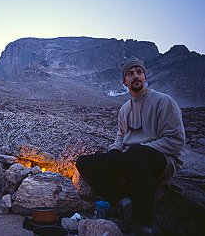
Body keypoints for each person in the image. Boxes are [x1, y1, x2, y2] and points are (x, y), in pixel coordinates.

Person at [76, 56, 185, 235]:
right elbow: (121, 136)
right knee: (84, 162)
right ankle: (121, 199)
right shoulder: (125, 109)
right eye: (130, 73)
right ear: (125, 81)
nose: (136, 76)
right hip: (132, 158)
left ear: (144, 77)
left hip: (162, 161)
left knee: (136, 153)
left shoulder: (163, 102)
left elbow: (175, 141)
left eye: (139, 72)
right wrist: (114, 151)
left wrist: (139, 149)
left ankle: (142, 225)